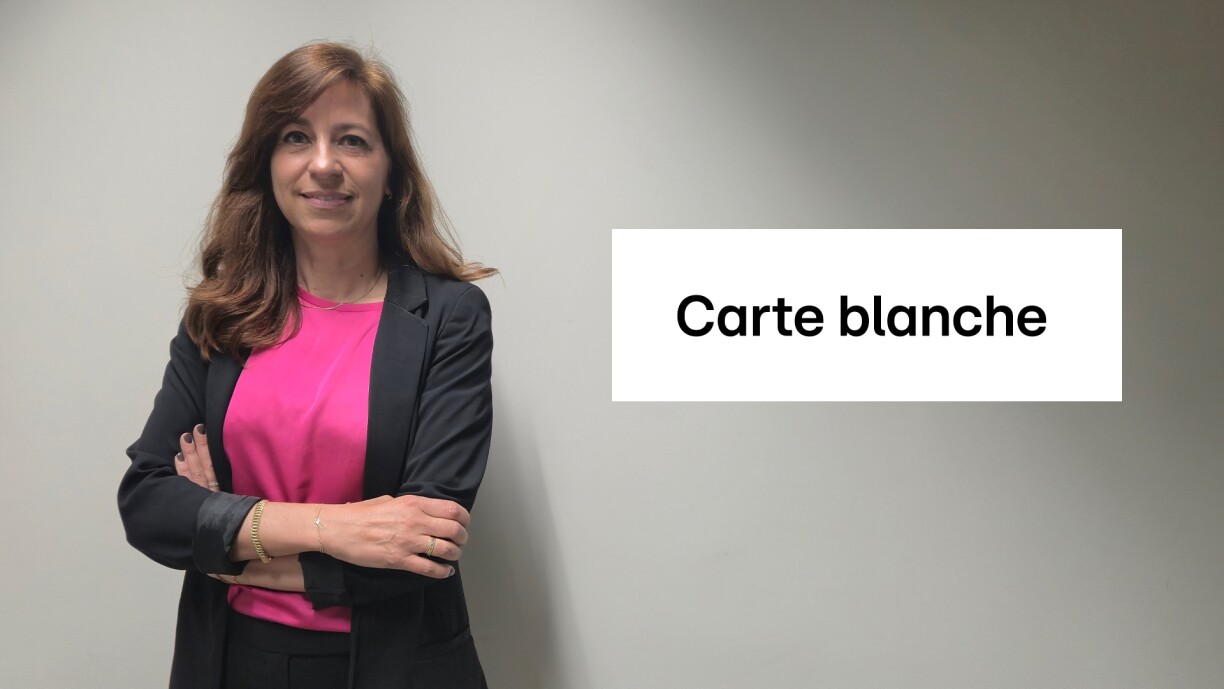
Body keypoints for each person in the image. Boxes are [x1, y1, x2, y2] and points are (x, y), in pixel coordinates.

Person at [118, 42, 496, 689]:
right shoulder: (220, 314)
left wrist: (226, 542)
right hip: (231, 660)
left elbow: (422, 543)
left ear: (390, 172)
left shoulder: (450, 317)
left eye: (352, 140)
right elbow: (149, 503)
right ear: (267, 163)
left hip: (394, 664)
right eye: (297, 137)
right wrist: (337, 527)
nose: (324, 164)